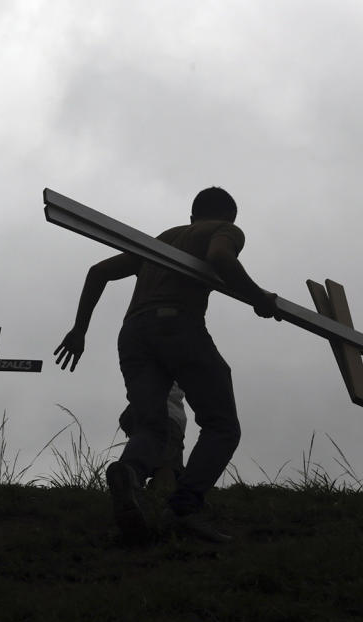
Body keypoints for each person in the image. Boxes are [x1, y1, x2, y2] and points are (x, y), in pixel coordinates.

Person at [54, 187, 279, 543]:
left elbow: (98, 272)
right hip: (178, 325)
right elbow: (221, 258)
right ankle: (183, 509)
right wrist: (259, 299)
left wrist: (79, 331)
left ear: (191, 216)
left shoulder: (164, 240)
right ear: (228, 218)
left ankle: (128, 474)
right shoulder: (225, 231)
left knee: (151, 426)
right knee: (222, 425)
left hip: (134, 334)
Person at [120, 382, 187, 495]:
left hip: (146, 416)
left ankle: (129, 489)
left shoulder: (143, 369)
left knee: (135, 464)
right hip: (170, 419)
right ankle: (160, 499)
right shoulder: (179, 369)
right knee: (167, 466)